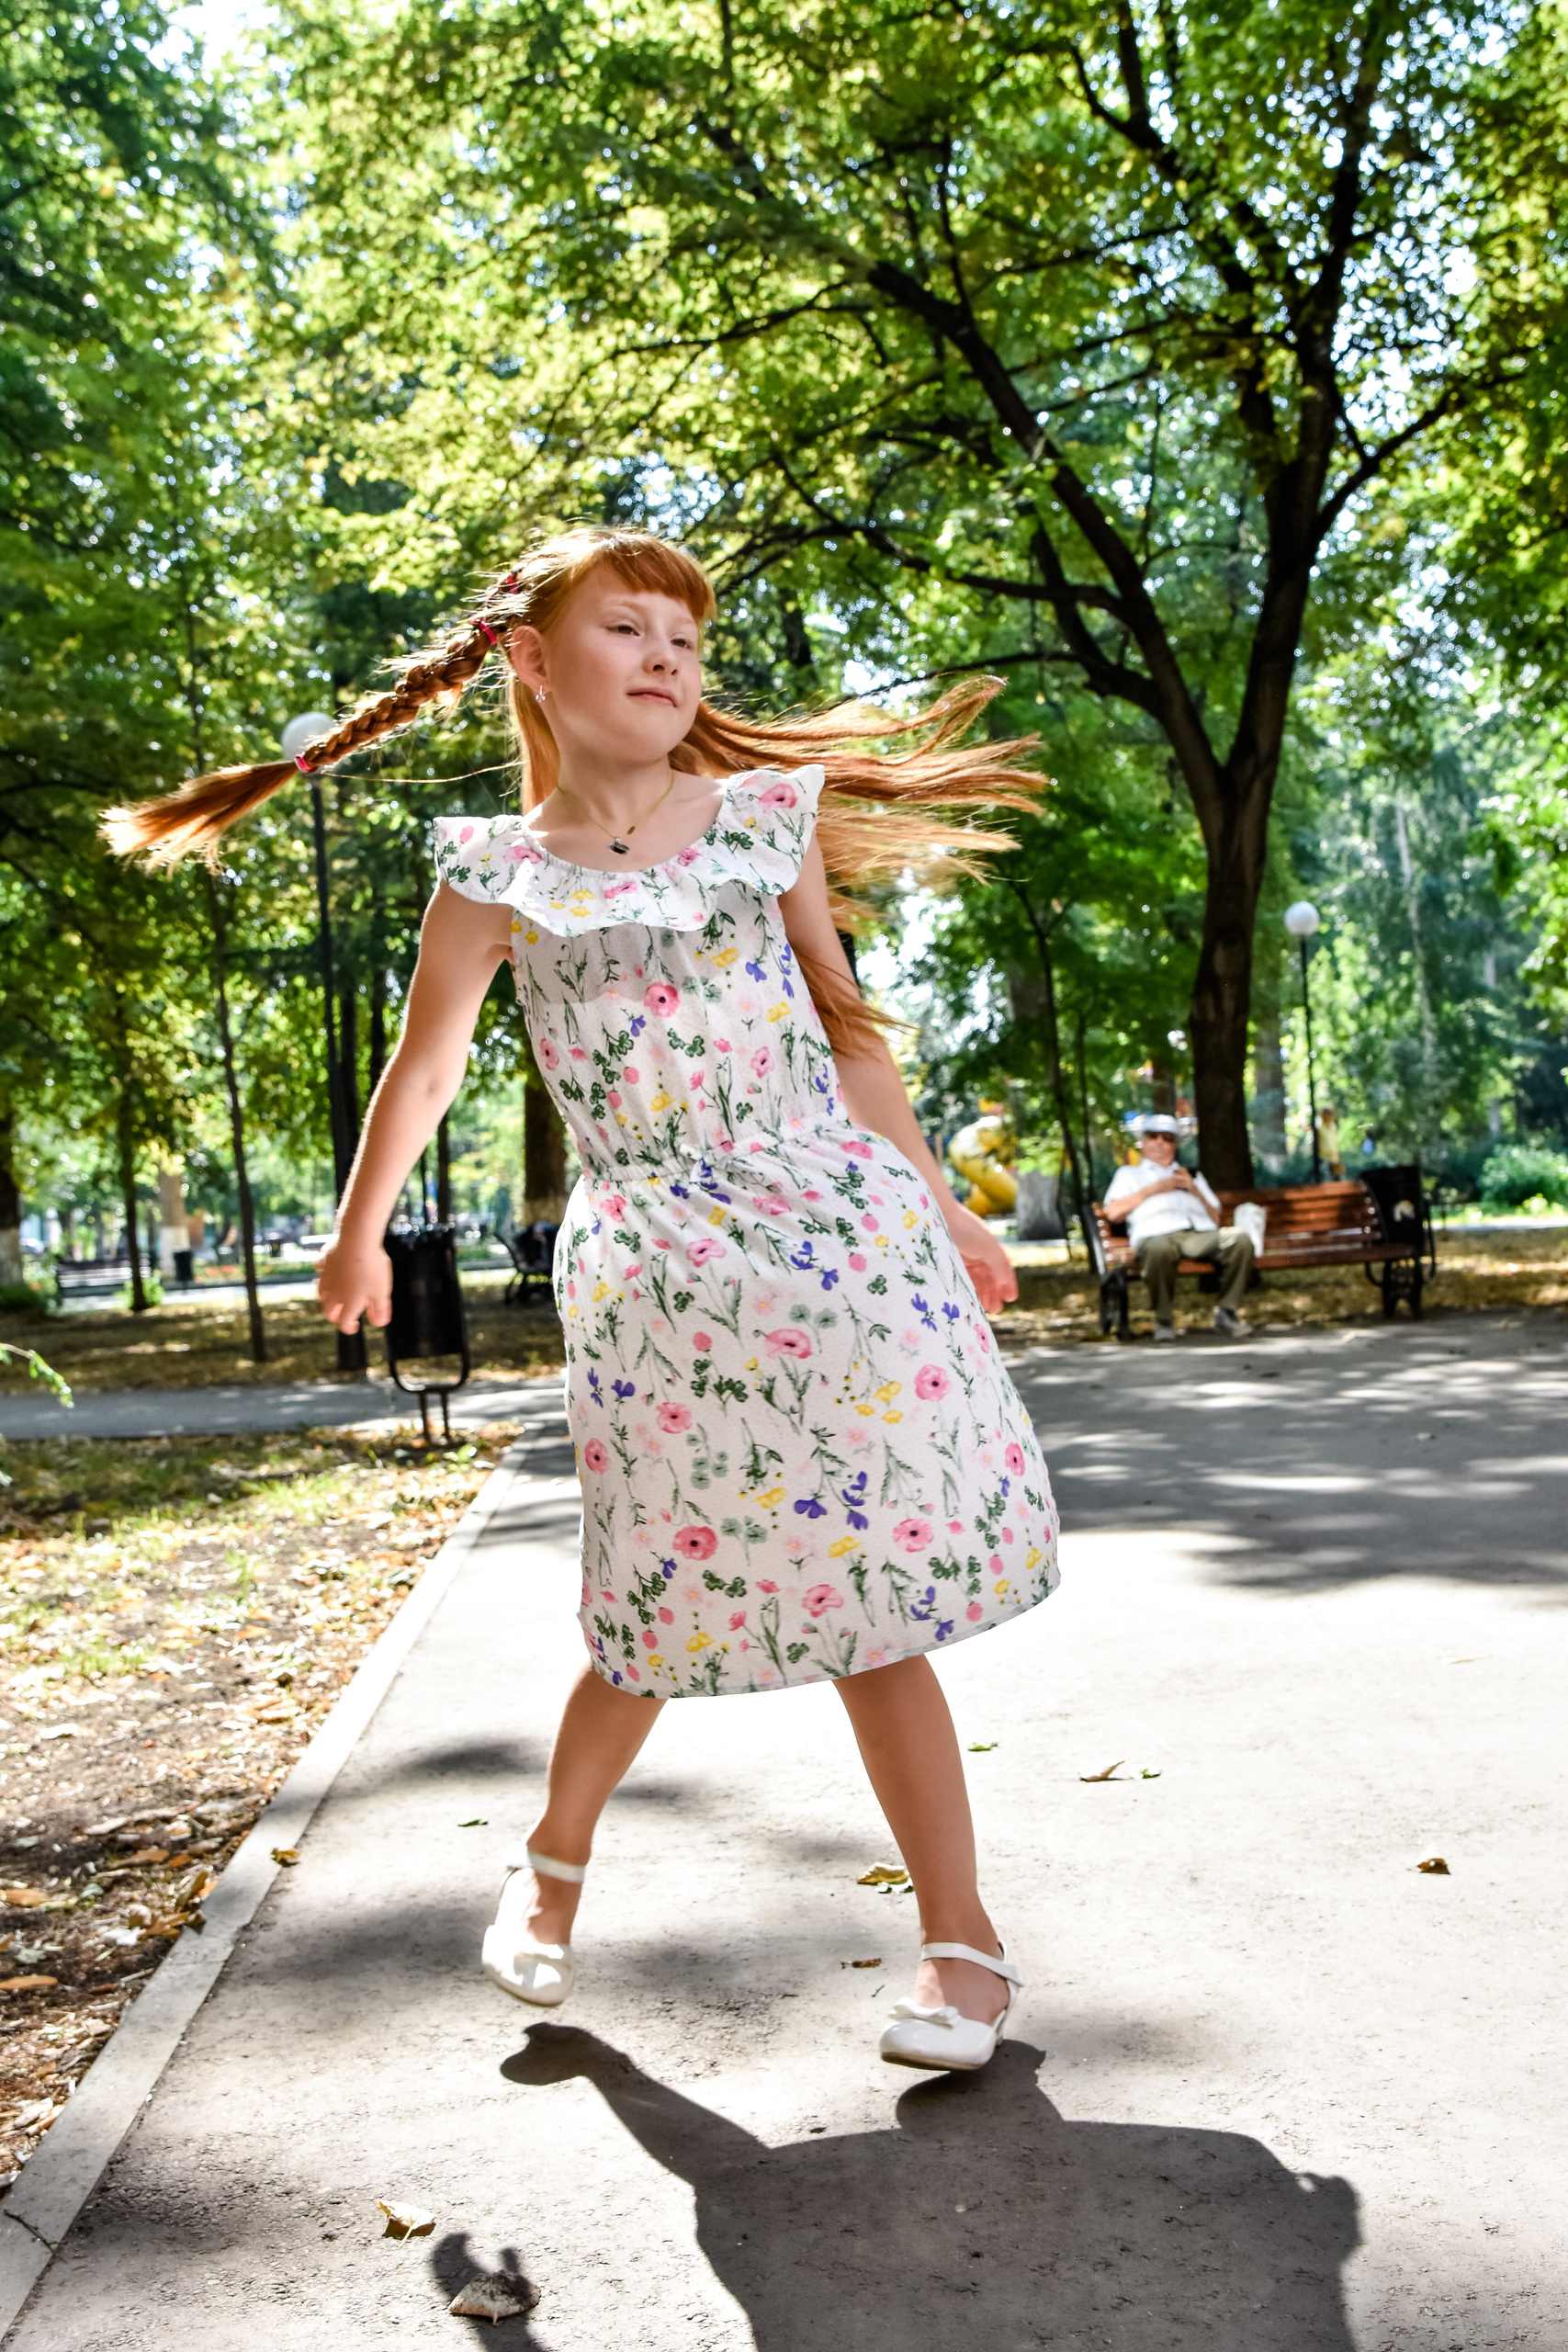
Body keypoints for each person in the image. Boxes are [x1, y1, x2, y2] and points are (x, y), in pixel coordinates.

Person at [104, 526, 1060, 2078]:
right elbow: (419, 1073)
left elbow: (849, 1032)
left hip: (828, 1241)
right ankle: (552, 1863)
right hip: (655, 1279)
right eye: (629, 629)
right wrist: (358, 1239)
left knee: (873, 1608)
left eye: (688, 636)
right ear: (533, 663)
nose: (670, 658)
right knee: (650, 1612)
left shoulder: (761, 823)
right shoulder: (492, 874)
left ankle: (964, 1950)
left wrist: (943, 1204)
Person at [1102, 1114, 1255, 1340]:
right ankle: (1164, 1321)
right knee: (1158, 1248)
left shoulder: (1192, 1175)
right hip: (1155, 1234)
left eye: (1167, 1138)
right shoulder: (1128, 1174)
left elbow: (1216, 1218)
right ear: (1144, 1141)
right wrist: (1157, 1188)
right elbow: (1113, 1212)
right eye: (1153, 1136)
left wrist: (1193, 1188)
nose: (1160, 1142)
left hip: (1197, 1234)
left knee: (1240, 1238)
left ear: (1174, 1144)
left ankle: (1226, 1312)